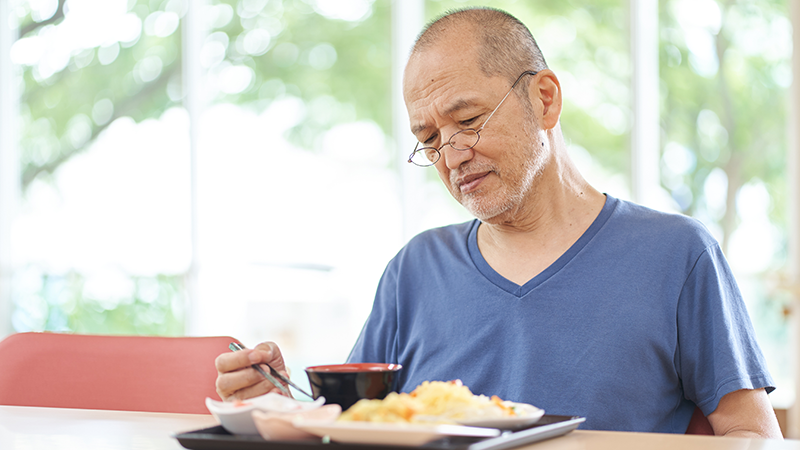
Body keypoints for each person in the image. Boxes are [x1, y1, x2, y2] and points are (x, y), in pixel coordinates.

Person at [215, 7, 782, 438]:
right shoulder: (415, 270)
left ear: (545, 99)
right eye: (429, 139)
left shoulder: (678, 255)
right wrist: (280, 409)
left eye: (468, 120)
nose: (452, 155)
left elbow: (752, 436)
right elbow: (355, 430)